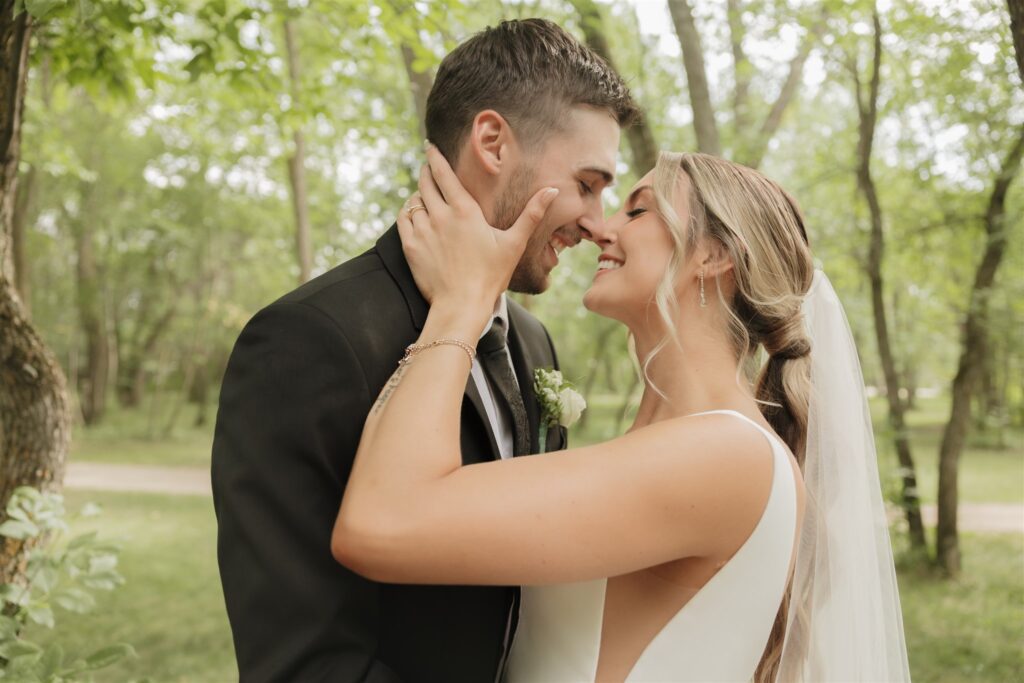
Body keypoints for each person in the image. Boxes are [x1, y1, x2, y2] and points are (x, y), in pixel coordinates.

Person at [333, 148, 911, 681]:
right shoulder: (691, 444)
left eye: (638, 212)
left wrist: (461, 304)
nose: (600, 227)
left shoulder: (723, 457)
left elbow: (381, 525)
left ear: (713, 256)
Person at [211, 19, 638, 682]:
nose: (598, 221)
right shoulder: (308, 340)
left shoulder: (532, 340)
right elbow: (303, 662)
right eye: (587, 182)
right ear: (492, 141)